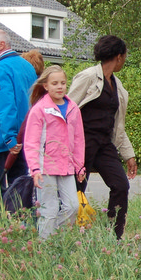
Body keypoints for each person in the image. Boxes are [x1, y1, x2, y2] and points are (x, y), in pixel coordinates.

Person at [69, 36, 137, 239]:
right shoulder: (88, 77)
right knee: (76, 189)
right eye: (125, 56)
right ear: (119, 56)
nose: (124, 60)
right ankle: (71, 236)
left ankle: (113, 237)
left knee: (121, 185)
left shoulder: (117, 85)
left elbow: (118, 124)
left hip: (105, 143)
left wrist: (129, 154)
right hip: (82, 142)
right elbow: (67, 109)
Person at [22, 66, 86, 238]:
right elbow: (31, 142)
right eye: (55, 83)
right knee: (49, 210)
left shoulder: (73, 108)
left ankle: (54, 238)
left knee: (73, 206)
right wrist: (35, 169)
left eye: (63, 83)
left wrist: (80, 166)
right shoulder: (39, 109)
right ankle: (46, 247)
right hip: (45, 168)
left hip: (67, 166)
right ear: (46, 86)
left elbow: (79, 140)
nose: (60, 87)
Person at [0, 29, 37, 214]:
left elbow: (5, 106)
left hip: (1, 140)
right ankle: (21, 225)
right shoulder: (27, 66)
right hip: (25, 136)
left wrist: (10, 138)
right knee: (19, 188)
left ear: (1, 45)